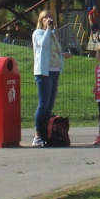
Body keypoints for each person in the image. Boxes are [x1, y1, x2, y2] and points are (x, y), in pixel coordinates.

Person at [31, 9, 66, 146]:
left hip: (54, 71)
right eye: (46, 17)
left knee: (50, 105)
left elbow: (57, 50)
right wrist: (47, 29)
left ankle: (45, 133)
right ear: (41, 20)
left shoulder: (52, 35)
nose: (49, 19)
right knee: (43, 104)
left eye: (51, 17)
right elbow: (43, 45)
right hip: (43, 73)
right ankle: (37, 135)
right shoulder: (38, 33)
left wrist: (63, 57)